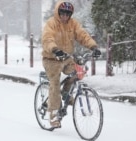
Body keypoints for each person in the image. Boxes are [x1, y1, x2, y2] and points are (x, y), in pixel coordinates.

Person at [41, 0, 101, 128]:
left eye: (67, 13)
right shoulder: (51, 24)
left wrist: (93, 47)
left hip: (67, 57)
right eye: (62, 13)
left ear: (70, 14)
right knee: (55, 84)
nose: (64, 16)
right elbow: (47, 39)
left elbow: (82, 35)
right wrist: (55, 49)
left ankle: (66, 93)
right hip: (51, 59)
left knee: (77, 73)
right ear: (58, 12)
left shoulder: (73, 24)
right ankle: (53, 114)